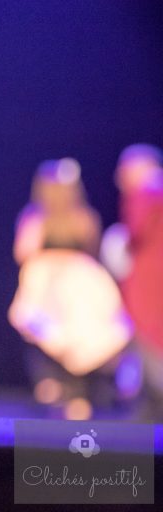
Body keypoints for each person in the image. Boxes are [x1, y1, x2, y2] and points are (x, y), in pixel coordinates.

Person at [9, 158, 131, 419]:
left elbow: (23, 252)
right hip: (58, 279)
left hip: (71, 281)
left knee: (73, 333)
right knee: (48, 330)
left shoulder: (65, 217)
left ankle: (66, 389)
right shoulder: (52, 217)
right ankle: (62, 388)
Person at [114, 144, 163, 419]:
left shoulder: (144, 192)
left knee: (148, 336)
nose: (119, 178)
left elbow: (135, 233)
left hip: (149, 280)